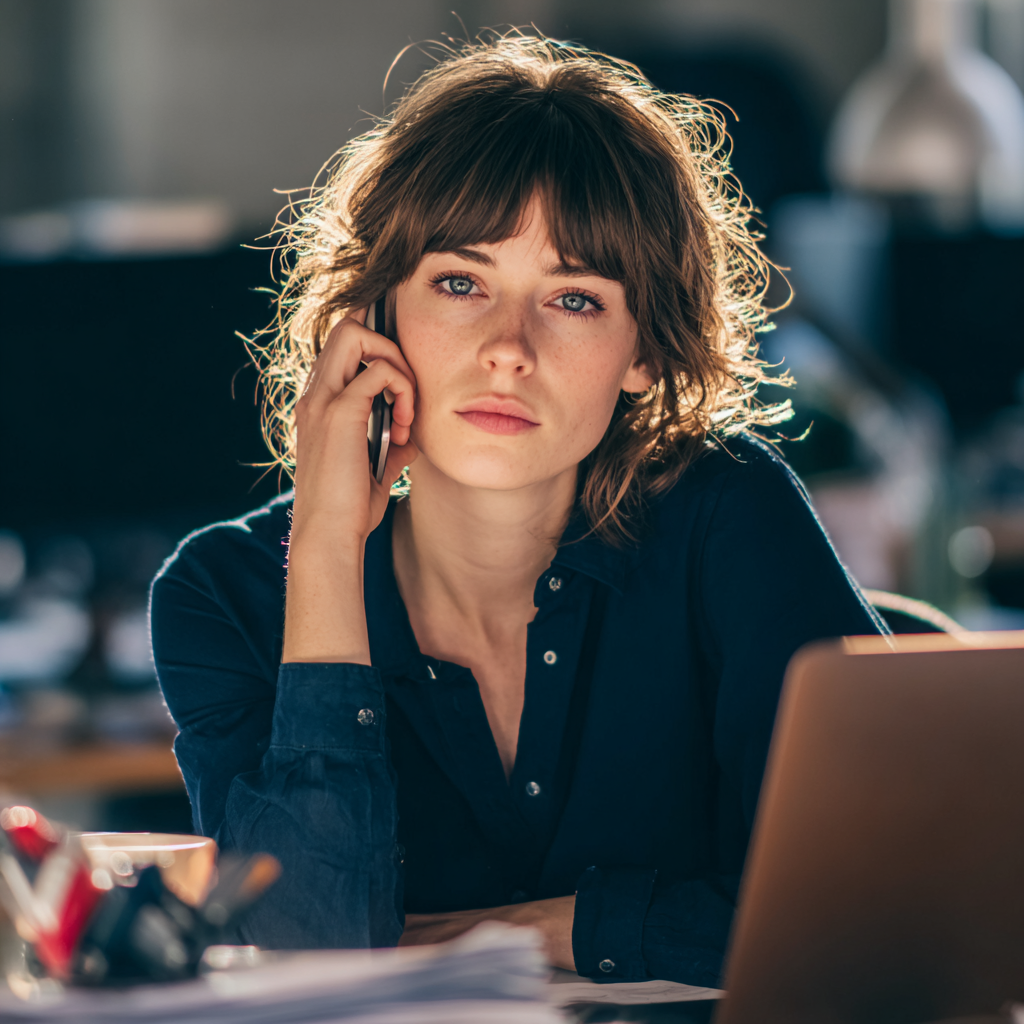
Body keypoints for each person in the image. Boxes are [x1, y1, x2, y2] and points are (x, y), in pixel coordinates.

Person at [150, 34, 884, 985]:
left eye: (573, 299)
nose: (508, 348)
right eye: (460, 284)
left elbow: (874, 908)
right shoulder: (224, 594)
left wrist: (532, 930)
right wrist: (326, 545)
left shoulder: (727, 514)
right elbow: (316, 958)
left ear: (644, 351)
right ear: (374, 315)